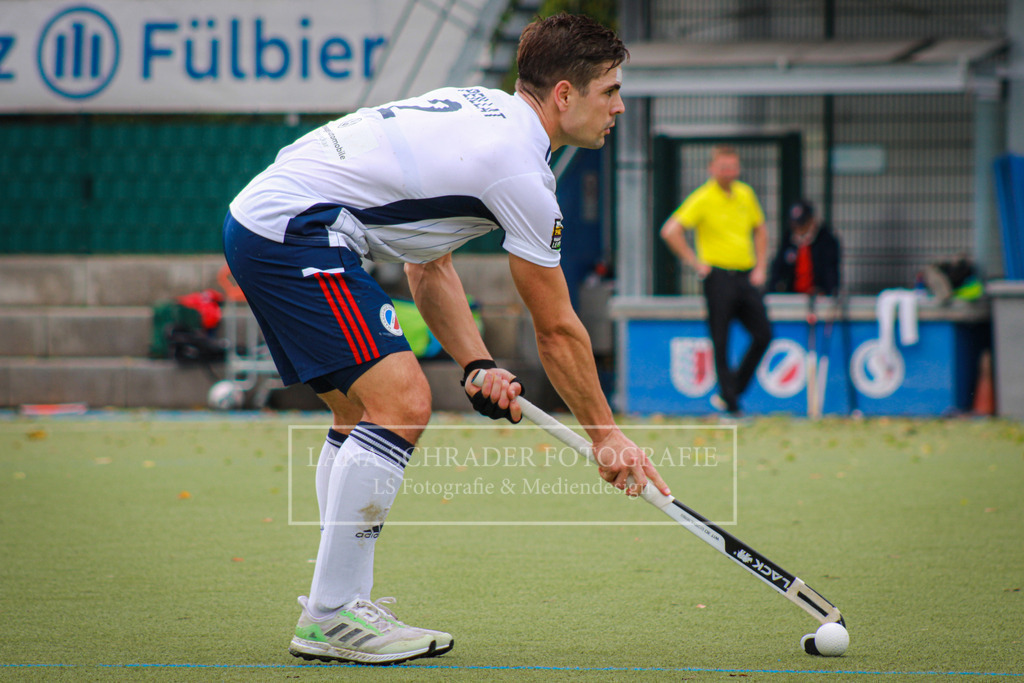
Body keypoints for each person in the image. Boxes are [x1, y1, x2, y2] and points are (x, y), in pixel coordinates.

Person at [223, 13, 671, 666]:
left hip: (266, 220)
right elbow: (556, 327)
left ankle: (344, 602)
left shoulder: (486, 113)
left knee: (357, 413)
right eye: (610, 91)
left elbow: (427, 264)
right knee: (401, 403)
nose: (620, 107)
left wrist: (478, 362)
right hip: (299, 228)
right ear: (565, 95)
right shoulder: (519, 172)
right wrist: (606, 435)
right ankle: (331, 613)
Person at [659, 146, 773, 416]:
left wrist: (761, 267)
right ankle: (732, 406)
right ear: (711, 169)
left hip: (745, 275)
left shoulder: (745, 194)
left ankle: (730, 390)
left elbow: (760, 231)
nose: (728, 172)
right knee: (721, 340)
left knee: (763, 334)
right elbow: (670, 231)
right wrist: (695, 262)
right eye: (723, 167)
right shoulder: (703, 198)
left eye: (732, 167)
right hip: (718, 277)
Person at [768, 199, 841, 296]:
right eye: (795, 225)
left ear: (811, 220)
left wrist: (824, 291)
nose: (798, 229)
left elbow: (830, 272)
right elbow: (778, 268)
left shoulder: (826, 240)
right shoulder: (789, 239)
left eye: (801, 224)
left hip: (818, 298)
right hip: (792, 296)